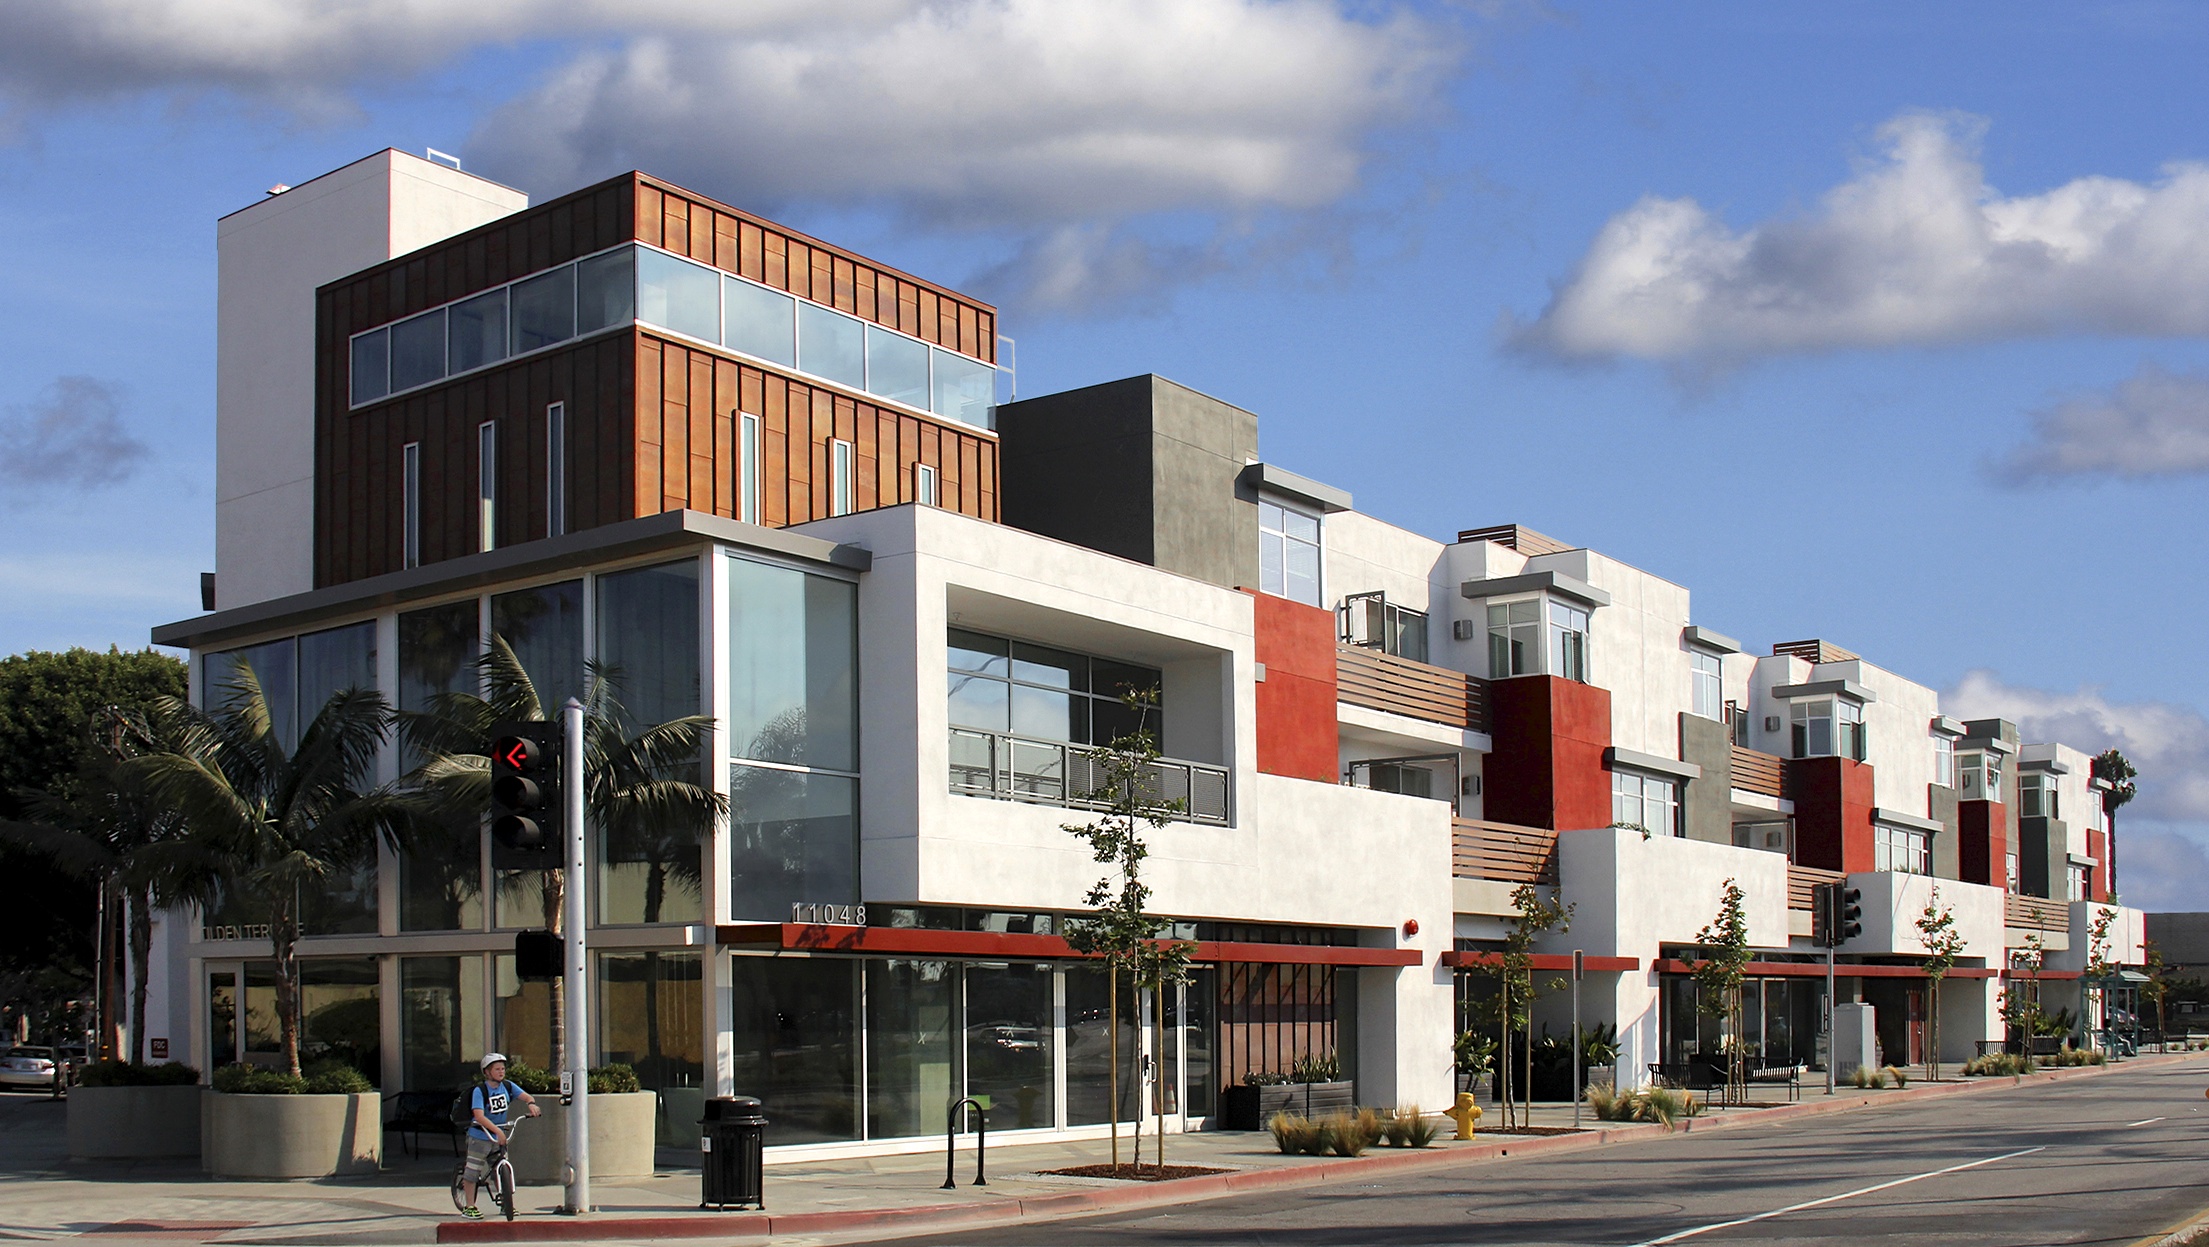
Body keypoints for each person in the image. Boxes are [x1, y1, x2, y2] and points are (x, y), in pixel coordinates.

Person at [459, 1052, 541, 1219]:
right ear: (487, 1072)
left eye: (503, 1069)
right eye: (497, 1069)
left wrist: (531, 1104)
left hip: (499, 1136)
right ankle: (469, 1207)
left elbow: (526, 1096)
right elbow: (479, 1116)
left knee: (501, 1169)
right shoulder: (480, 1091)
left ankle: (506, 1204)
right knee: (472, 1172)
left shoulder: (508, 1086)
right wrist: (497, 1131)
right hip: (480, 1136)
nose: (501, 1072)